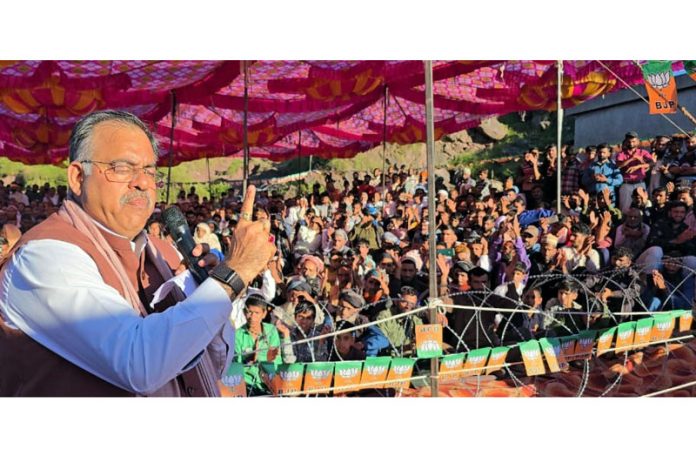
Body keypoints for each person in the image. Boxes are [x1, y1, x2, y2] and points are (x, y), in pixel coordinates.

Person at [0, 110, 275, 397]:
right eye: (122, 168)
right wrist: (231, 277)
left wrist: (208, 288)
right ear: (78, 177)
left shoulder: (163, 254)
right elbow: (139, 363)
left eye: (149, 171)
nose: (143, 182)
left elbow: (214, 363)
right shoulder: (44, 258)